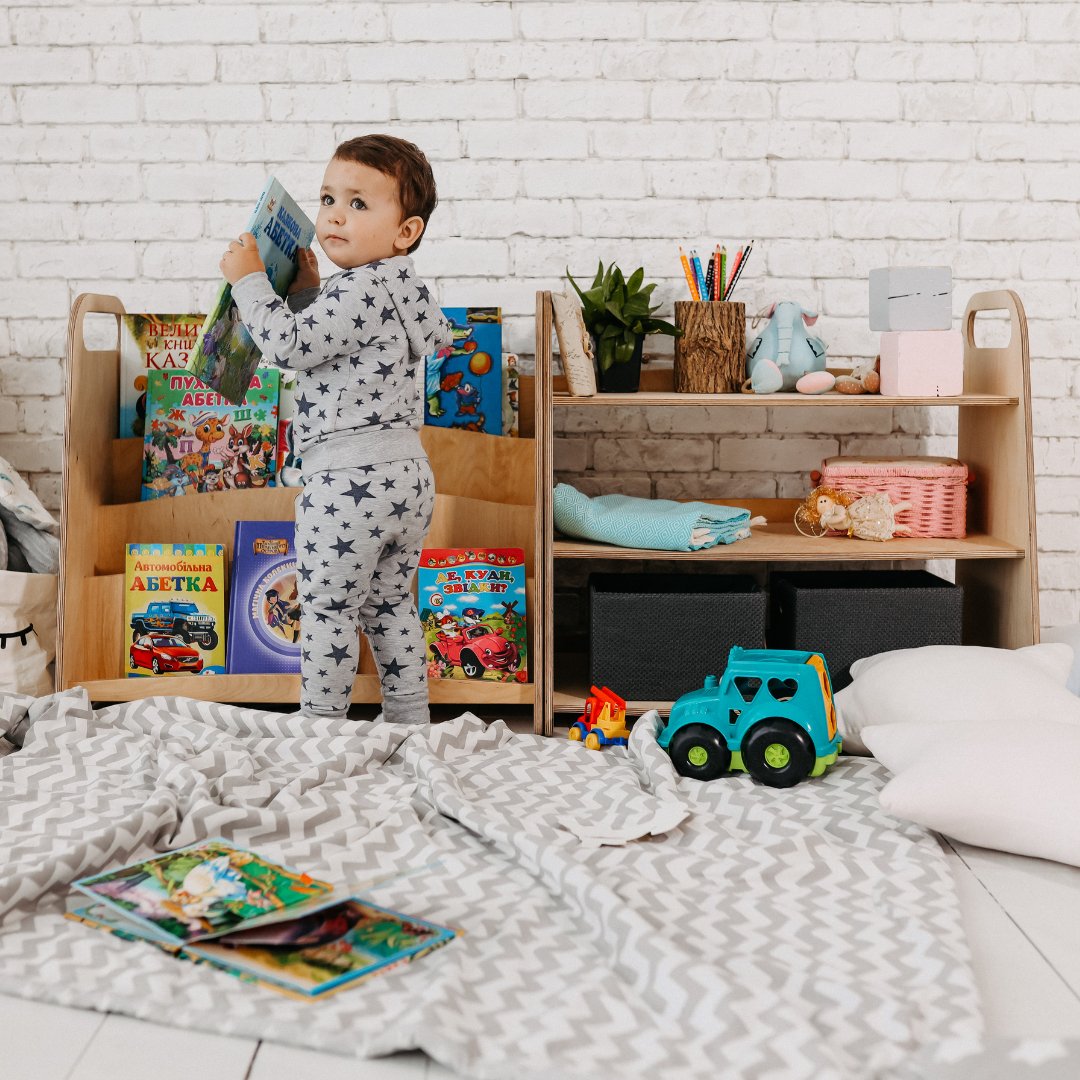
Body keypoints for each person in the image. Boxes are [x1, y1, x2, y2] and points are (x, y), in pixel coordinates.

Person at [220, 135, 452, 724]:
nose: (334, 215)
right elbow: (339, 349)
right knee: (392, 605)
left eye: (358, 203)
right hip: (406, 478)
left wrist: (250, 280)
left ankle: (320, 727)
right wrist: (303, 293)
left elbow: (289, 345)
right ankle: (409, 721)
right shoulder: (405, 289)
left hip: (347, 484)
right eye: (328, 198)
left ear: (406, 231)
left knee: (327, 610)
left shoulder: (357, 287)